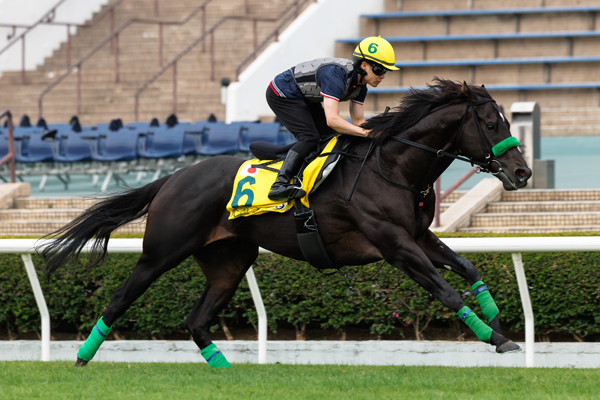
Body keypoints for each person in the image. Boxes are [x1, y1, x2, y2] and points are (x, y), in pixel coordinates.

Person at [266, 36, 399, 201]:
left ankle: (304, 173)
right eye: (380, 70)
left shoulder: (361, 87)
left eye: (386, 71)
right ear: (364, 65)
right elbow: (333, 120)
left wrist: (379, 133)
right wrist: (366, 133)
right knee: (310, 138)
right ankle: (279, 184)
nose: (383, 76)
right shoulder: (336, 76)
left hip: (305, 97)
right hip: (282, 93)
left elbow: (358, 122)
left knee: (328, 139)